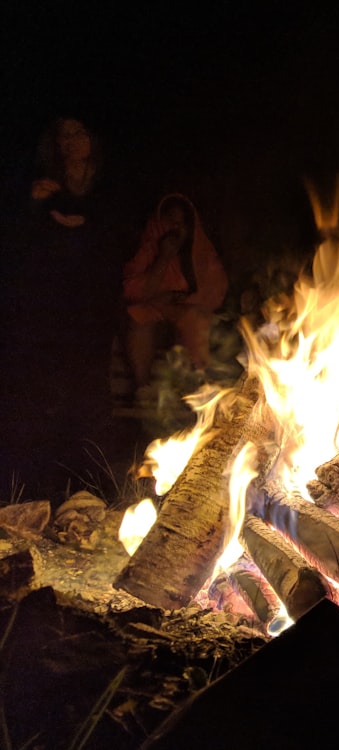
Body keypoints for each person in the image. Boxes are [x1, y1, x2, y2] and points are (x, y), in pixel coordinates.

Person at [0, 116, 124, 500]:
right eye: (63, 135)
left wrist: (84, 225)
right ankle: (39, 487)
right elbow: (20, 242)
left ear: (92, 138)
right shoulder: (41, 183)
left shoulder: (107, 186)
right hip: (48, 304)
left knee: (89, 391)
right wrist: (34, 205)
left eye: (78, 133)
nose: (70, 142)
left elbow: (119, 235)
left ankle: (94, 486)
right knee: (44, 394)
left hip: (92, 303)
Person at [123, 193, 229, 390]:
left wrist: (182, 300)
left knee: (193, 319)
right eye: (171, 220)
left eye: (182, 223)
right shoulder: (147, 247)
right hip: (154, 306)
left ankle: (188, 391)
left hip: (183, 308)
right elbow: (133, 290)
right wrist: (163, 258)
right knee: (138, 317)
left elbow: (216, 289)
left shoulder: (199, 250)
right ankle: (143, 388)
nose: (176, 228)